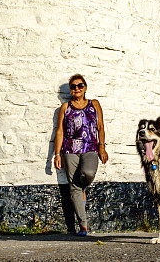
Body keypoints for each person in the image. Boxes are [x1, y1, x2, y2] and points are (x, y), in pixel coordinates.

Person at [54, 74, 108, 236]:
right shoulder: (65, 108)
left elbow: (100, 126)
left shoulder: (94, 104)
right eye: (73, 86)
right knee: (73, 187)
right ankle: (83, 225)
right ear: (70, 90)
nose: (77, 89)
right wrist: (57, 154)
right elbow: (60, 131)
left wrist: (102, 147)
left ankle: (83, 187)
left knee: (88, 173)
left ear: (85, 87)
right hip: (69, 150)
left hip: (90, 147)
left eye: (80, 85)